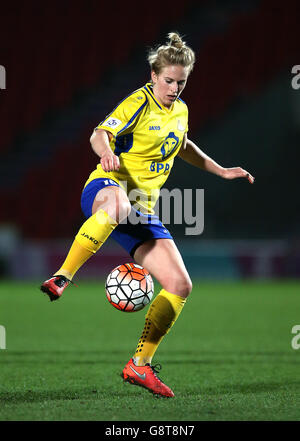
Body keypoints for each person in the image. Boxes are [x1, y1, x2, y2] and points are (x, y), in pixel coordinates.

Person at [41, 32, 254, 398]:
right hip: (107, 190)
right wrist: (106, 151)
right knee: (120, 205)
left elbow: (181, 145)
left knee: (180, 285)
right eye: (168, 80)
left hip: (142, 208)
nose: (174, 88)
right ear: (153, 75)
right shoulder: (138, 102)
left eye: (181, 82)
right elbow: (98, 134)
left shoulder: (181, 110)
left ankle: (139, 365)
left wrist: (220, 170)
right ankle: (63, 276)